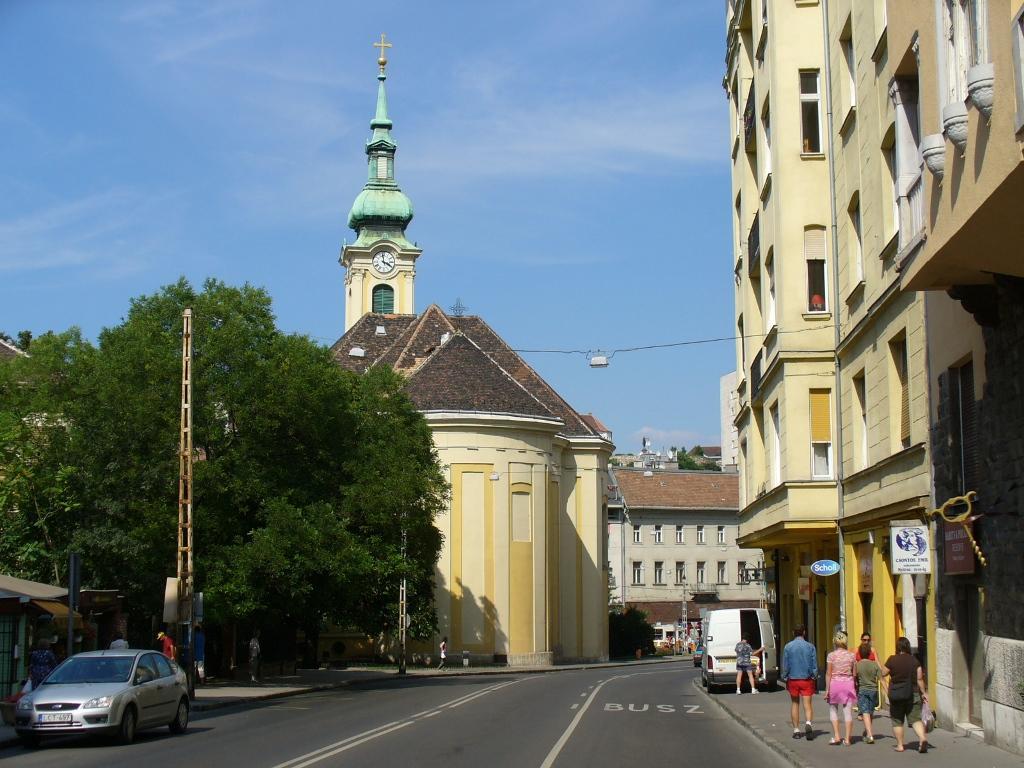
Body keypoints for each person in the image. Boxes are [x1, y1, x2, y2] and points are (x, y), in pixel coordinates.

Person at [884, 636, 930, 753]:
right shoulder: (914, 661)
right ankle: (922, 738)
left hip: (896, 694)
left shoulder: (892, 660)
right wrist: (924, 693)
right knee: (915, 719)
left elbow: (883, 673)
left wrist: (886, 687)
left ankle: (900, 745)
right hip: (912, 693)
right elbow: (920, 679)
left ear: (897, 647)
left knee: (897, 720)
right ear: (908, 647)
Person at [781, 624, 818, 741]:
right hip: (806, 679)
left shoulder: (788, 647)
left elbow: (785, 664)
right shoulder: (810, 646)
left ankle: (796, 730)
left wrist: (784, 676)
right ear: (804, 632)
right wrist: (814, 675)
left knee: (795, 703)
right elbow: (814, 665)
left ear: (793, 633)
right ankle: (808, 723)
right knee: (807, 704)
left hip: (793, 679)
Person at [825, 631, 857, 745]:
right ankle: (847, 739)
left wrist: (827, 690)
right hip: (848, 684)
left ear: (835, 641)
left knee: (833, 709)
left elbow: (828, 673)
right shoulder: (852, 655)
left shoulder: (831, 655)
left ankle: (837, 736)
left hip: (835, 684)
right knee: (847, 712)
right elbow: (854, 673)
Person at [855, 641, 884, 744]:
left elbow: (854, 678)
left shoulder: (857, 665)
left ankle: (870, 735)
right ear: (869, 653)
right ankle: (868, 732)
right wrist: (887, 691)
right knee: (870, 712)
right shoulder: (875, 665)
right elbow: (882, 679)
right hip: (874, 690)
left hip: (863, 690)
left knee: (865, 712)